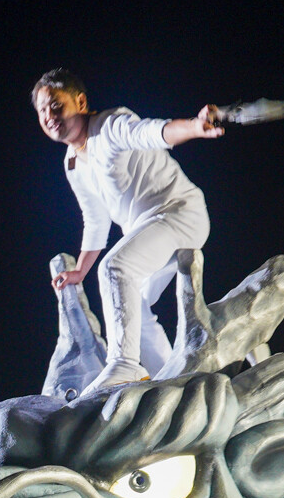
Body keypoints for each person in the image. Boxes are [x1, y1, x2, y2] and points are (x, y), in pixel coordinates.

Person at [32, 68, 223, 389]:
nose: (49, 116)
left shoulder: (109, 126)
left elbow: (151, 132)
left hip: (180, 214)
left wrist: (194, 127)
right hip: (151, 229)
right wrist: (79, 271)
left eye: (55, 106)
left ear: (80, 102)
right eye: (41, 111)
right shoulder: (72, 163)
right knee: (134, 305)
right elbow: (95, 219)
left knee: (114, 269)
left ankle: (124, 364)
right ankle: (176, 382)